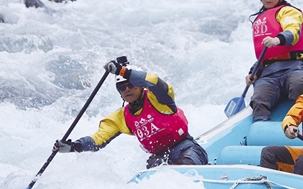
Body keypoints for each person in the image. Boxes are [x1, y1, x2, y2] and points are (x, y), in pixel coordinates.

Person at [54, 58, 208, 168]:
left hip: (186, 148)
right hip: (159, 157)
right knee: (154, 170)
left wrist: (123, 71)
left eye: (131, 85)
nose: (127, 89)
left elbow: (154, 81)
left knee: (185, 165)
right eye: (122, 87)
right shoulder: (120, 117)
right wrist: (75, 146)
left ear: (140, 85)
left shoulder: (158, 99)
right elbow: (98, 138)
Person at [247, 0, 303, 122]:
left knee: (298, 85)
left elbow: (293, 30)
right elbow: (264, 56)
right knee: (258, 99)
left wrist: (278, 40)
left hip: (293, 67)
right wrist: (254, 72)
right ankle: (261, 129)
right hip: (269, 73)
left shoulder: (289, 12)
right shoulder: (260, 20)